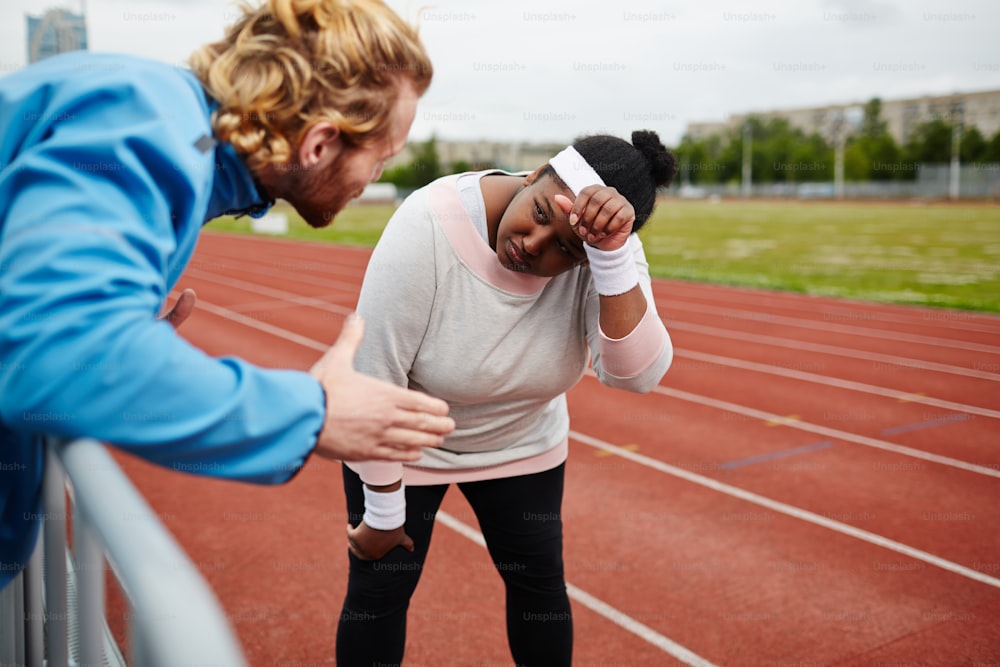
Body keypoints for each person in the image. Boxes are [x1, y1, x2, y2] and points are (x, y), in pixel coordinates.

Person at [0, 0, 456, 591]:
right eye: (381, 158)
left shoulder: (163, 124)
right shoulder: (145, 121)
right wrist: (313, 414)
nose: (375, 177)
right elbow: (53, 355)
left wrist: (120, 337)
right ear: (319, 143)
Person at [336, 130, 677, 665]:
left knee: (539, 589)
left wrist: (610, 257)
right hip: (406, 438)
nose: (533, 244)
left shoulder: (606, 250)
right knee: (379, 595)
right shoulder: (429, 224)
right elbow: (371, 376)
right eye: (540, 212)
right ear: (535, 173)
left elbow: (635, 375)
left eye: (565, 249)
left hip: (521, 443)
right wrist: (382, 512)